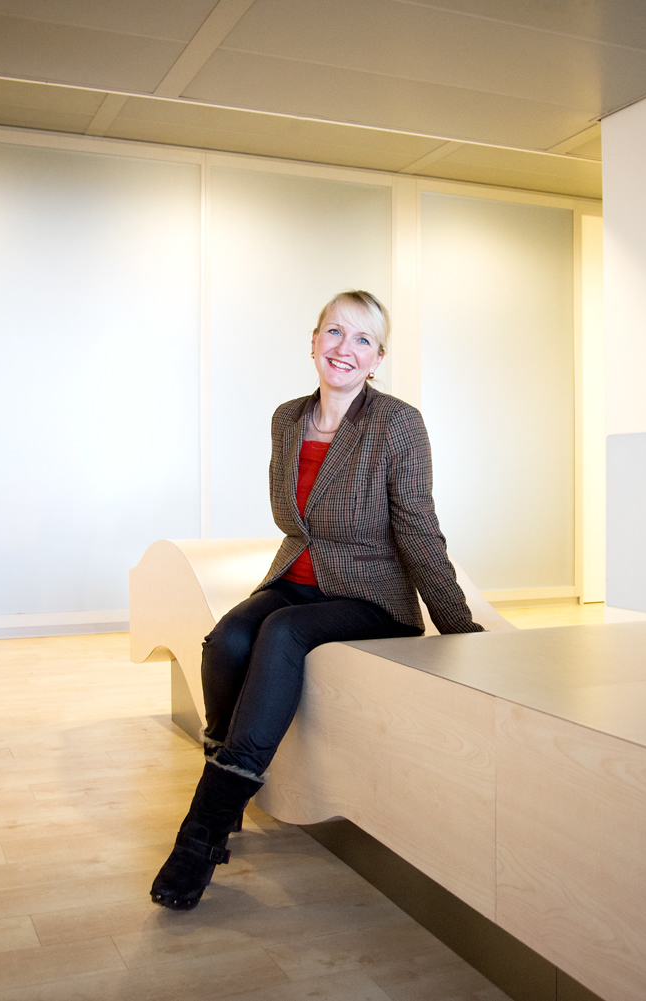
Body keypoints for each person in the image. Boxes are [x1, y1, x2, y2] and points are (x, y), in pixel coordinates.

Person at [150, 289, 484, 910]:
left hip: (370, 594)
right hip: (295, 577)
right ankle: (224, 792)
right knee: (226, 640)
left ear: (378, 358)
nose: (344, 348)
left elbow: (418, 528)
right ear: (313, 342)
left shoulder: (396, 423)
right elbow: (292, 519)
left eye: (363, 339)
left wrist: (459, 627)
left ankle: (201, 834)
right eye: (334, 332)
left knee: (281, 632)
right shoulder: (288, 418)